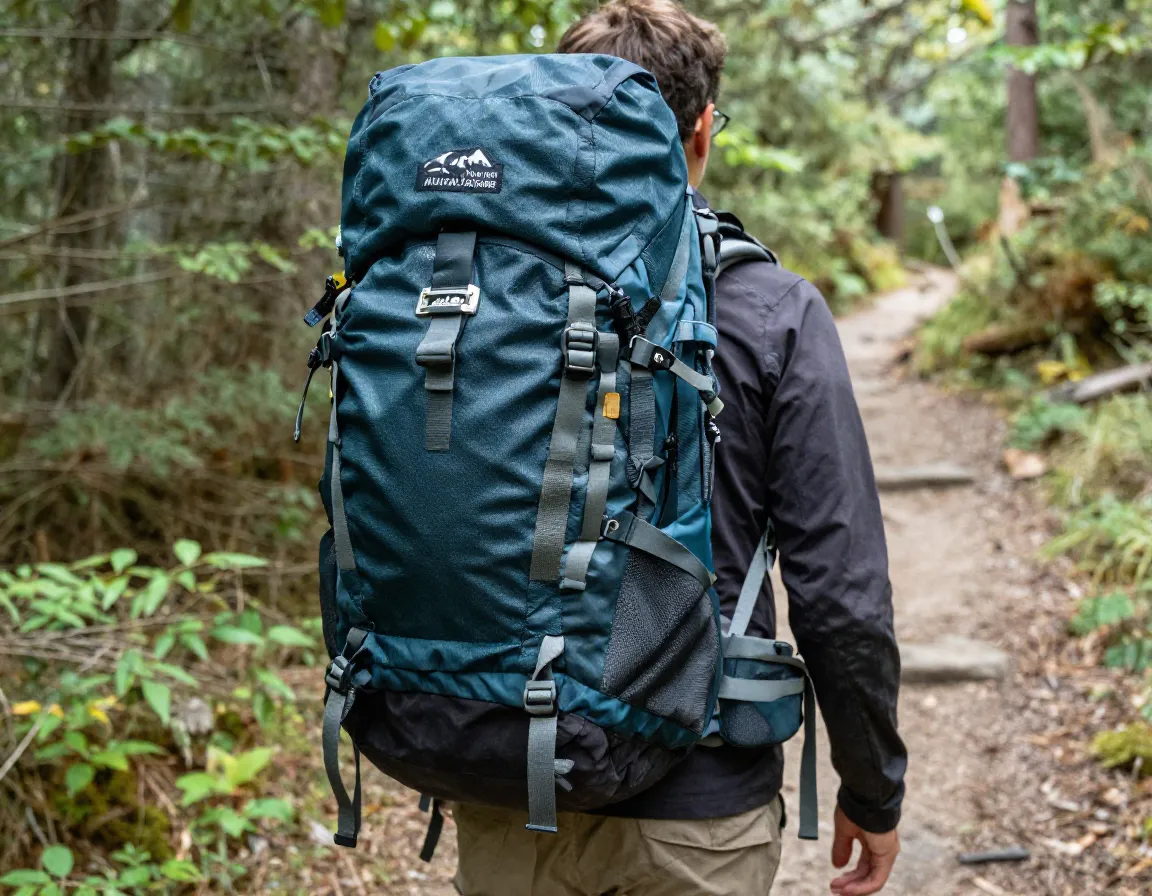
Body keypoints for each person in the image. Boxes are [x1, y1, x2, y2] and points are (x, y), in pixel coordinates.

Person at [451, 2, 907, 894]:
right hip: (695, 809)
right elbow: (840, 591)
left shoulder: (476, 294)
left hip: (507, 781)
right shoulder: (771, 309)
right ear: (701, 130)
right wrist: (873, 784)